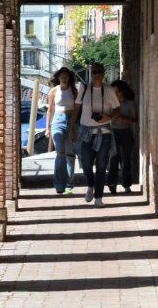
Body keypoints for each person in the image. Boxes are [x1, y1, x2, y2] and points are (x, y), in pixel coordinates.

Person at [75, 62, 120, 206]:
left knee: (101, 165)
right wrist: (71, 128)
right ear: (90, 73)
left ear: (104, 73)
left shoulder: (109, 90)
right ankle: (90, 184)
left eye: (100, 71)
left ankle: (99, 197)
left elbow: (117, 109)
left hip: (104, 132)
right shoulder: (83, 88)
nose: (97, 74)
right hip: (86, 132)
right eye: (94, 72)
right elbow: (77, 108)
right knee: (86, 164)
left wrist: (108, 117)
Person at [45, 67, 78, 195]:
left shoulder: (74, 91)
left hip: (71, 120)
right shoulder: (54, 91)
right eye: (62, 76)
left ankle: (69, 184)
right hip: (57, 121)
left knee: (70, 154)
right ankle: (59, 185)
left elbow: (76, 109)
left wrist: (73, 127)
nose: (64, 78)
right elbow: (49, 110)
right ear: (58, 78)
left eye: (66, 76)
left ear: (69, 78)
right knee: (60, 153)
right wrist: (47, 128)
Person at [107, 79, 138, 194]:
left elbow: (135, 119)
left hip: (126, 133)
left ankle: (126, 184)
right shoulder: (111, 103)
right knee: (113, 159)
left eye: (116, 92)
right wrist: (112, 117)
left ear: (122, 92)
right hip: (113, 132)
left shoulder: (129, 103)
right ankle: (112, 184)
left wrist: (123, 118)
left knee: (126, 160)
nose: (114, 95)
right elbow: (107, 117)